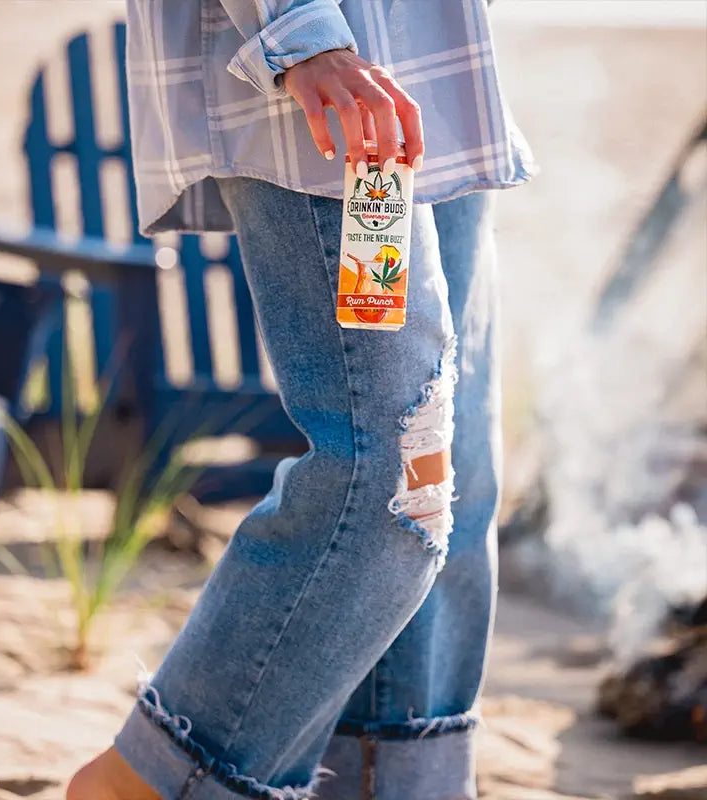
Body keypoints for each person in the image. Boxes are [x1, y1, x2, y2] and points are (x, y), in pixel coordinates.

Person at [69, 1, 534, 798]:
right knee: (391, 480)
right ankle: (153, 782)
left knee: (455, 478)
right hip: (321, 83)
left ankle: (387, 782)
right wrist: (301, 34)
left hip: (441, 71)